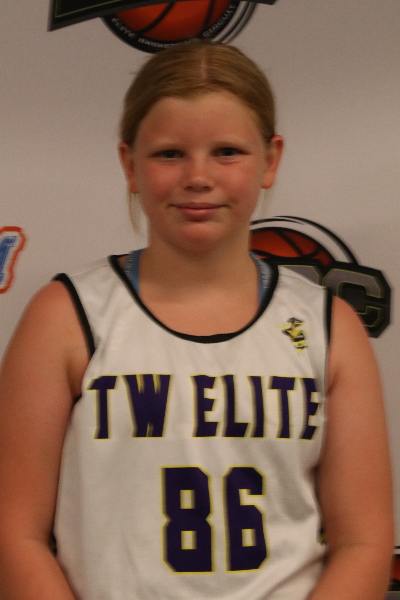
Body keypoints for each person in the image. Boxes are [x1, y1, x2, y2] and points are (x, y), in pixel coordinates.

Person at [0, 41, 393, 600]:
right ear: (129, 164)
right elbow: (14, 534)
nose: (198, 176)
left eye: (227, 151)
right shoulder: (66, 318)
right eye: (170, 154)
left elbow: (364, 543)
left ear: (271, 159)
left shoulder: (329, 326)